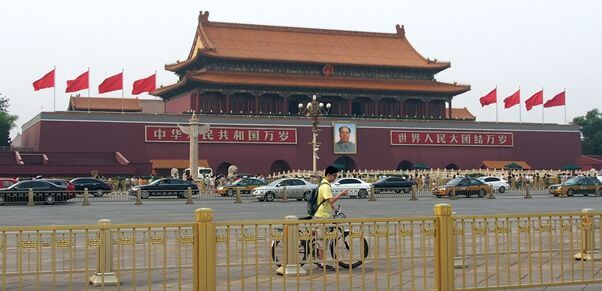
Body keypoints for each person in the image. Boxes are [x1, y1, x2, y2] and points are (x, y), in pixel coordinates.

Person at [313, 165, 348, 271]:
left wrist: (335, 209)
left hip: (322, 215)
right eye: (334, 175)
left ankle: (320, 261)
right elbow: (331, 200)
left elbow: (327, 201)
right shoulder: (326, 186)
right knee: (322, 241)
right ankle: (322, 264)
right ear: (328, 175)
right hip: (322, 217)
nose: (335, 178)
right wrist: (341, 194)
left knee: (321, 240)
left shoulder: (323, 184)